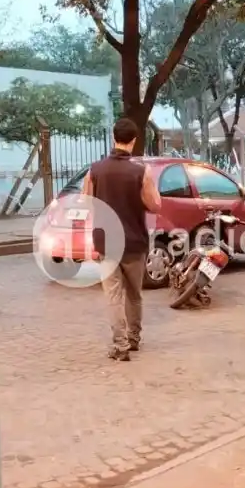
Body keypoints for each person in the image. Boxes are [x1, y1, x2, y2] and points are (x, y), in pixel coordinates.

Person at [87, 117, 162, 361]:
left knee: (113, 296)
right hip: (133, 242)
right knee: (134, 295)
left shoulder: (95, 170)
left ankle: (119, 346)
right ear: (134, 141)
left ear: (113, 137)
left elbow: (86, 202)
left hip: (106, 243)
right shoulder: (141, 172)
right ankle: (133, 339)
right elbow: (155, 205)